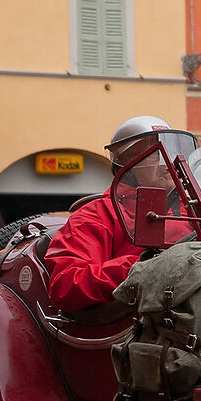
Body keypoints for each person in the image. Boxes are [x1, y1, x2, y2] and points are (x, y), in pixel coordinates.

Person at [45, 116, 173, 313]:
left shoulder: (193, 210)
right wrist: (144, 266)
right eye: (157, 155)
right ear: (129, 164)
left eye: (171, 153)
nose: (168, 163)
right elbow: (66, 285)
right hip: (136, 326)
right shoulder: (95, 215)